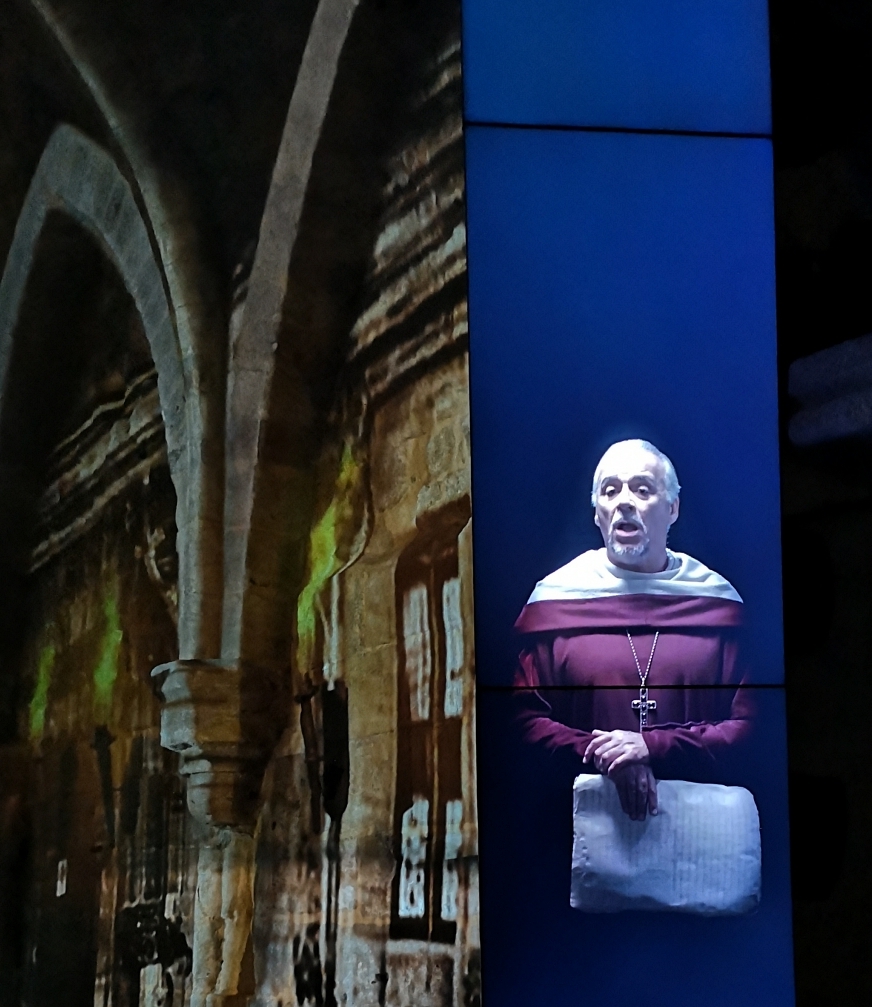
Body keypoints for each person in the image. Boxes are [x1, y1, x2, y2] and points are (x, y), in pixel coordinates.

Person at [514, 439, 755, 821]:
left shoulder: (717, 606)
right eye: (610, 491)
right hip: (580, 828)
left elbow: (752, 726)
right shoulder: (554, 604)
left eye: (642, 490)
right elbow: (521, 721)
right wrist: (609, 757)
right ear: (597, 513)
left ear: (672, 508)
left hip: (702, 826)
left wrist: (653, 746)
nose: (624, 502)